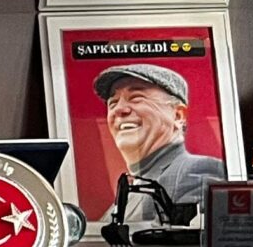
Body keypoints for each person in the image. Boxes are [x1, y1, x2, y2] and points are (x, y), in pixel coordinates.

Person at [93, 62, 225, 224]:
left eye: (136, 98)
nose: (119, 110)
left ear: (177, 116)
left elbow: (198, 236)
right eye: (112, 103)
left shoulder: (197, 171)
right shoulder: (124, 197)